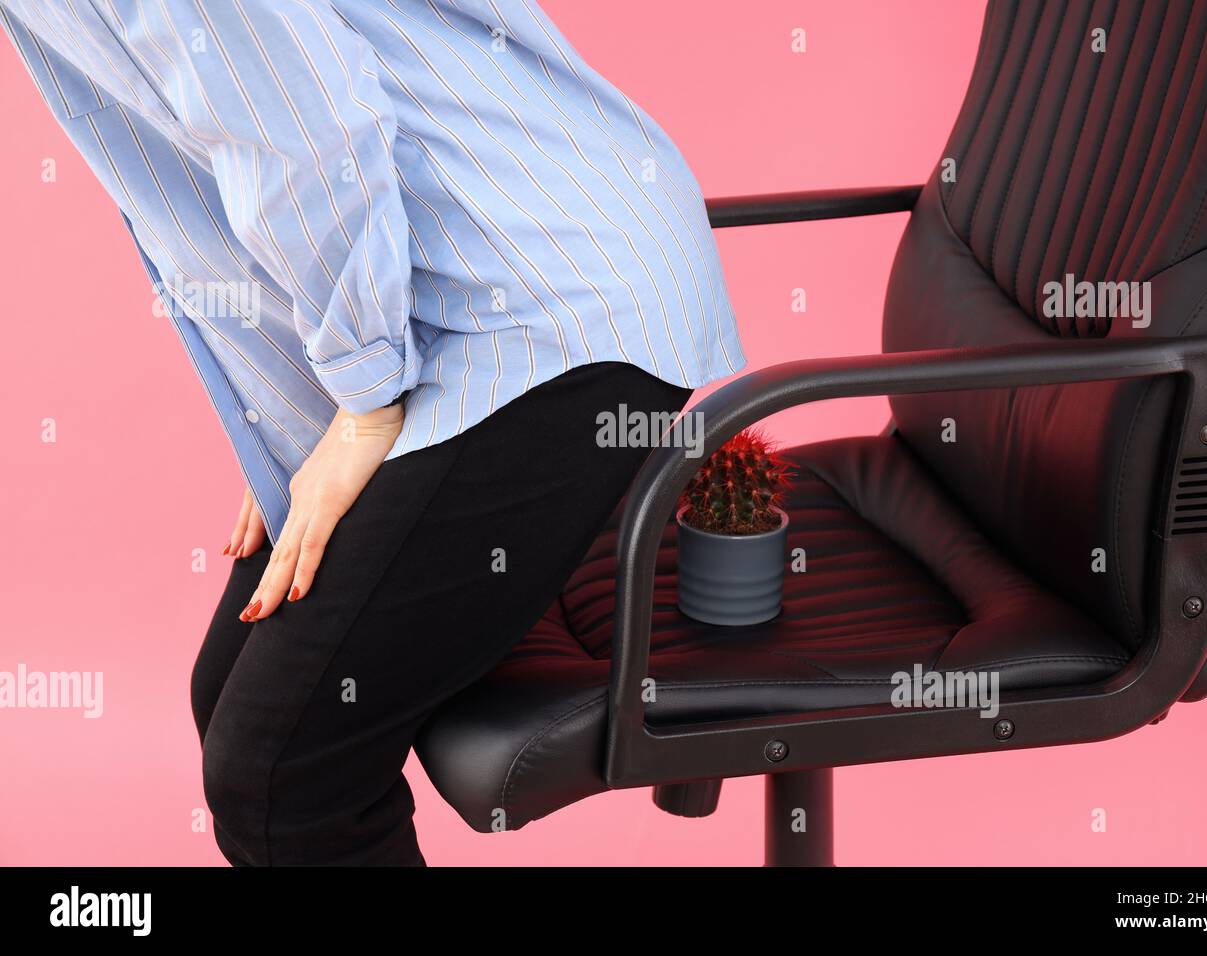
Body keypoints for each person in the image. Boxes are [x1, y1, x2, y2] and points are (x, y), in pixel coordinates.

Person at [1, 0, 743, 866]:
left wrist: (360, 399)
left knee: (283, 777)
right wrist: (315, 397)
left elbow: (297, 122)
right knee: (234, 706)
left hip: (551, 302)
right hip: (454, 289)